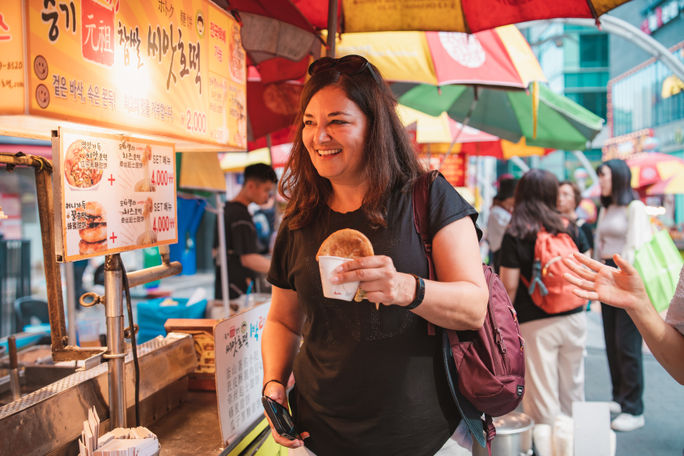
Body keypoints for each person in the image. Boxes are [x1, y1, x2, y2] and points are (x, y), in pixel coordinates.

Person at [261, 55, 488, 455]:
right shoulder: (299, 218)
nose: (318, 137)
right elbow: (283, 319)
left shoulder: (428, 198)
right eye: (310, 122)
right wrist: (273, 380)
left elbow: (473, 307)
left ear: (374, 126)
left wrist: (406, 288)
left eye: (337, 121)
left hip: (425, 438)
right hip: (317, 438)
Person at [498, 169, 590, 427]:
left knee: (542, 399)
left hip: (535, 323)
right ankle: (575, 445)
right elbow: (587, 267)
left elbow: (509, 286)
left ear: (521, 194)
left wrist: (505, 322)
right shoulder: (569, 227)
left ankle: (548, 446)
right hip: (575, 318)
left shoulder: (515, 232)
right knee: (573, 390)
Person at [593, 159, 652, 432]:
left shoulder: (634, 207)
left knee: (627, 344)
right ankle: (619, 396)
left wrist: (622, 278)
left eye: (602, 175)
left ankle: (634, 407)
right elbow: (599, 243)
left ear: (616, 177)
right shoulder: (606, 207)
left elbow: (637, 246)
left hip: (625, 276)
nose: (600, 181)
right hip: (607, 273)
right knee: (611, 340)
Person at [563, 253, 684, 385]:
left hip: (627, 267)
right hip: (618, 275)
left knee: (627, 349)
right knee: (616, 347)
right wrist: (639, 304)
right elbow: (680, 365)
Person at [213, 163, 277, 300]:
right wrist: (283, 270)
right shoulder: (239, 215)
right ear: (251, 186)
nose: (267, 196)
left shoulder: (226, 209)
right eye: (266, 190)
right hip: (236, 293)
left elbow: (214, 252)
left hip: (225, 288)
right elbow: (248, 259)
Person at [486, 176, 517, 273]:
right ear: (510, 197)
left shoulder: (502, 211)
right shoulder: (497, 213)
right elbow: (513, 229)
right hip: (501, 254)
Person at [557, 180, 594, 257]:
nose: (560, 199)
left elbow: (589, 255)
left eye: (565, 194)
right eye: (558, 194)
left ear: (575, 198)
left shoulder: (583, 226)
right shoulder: (554, 225)